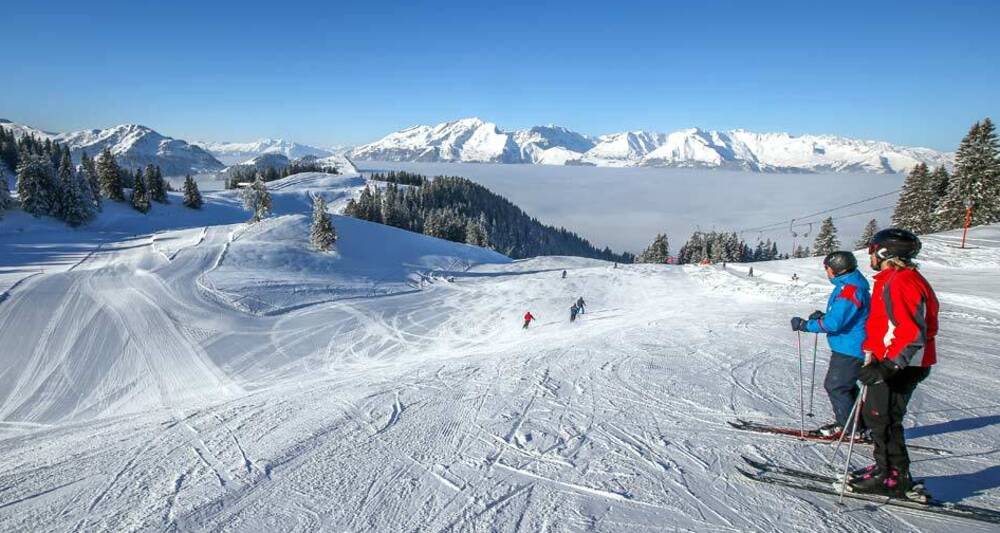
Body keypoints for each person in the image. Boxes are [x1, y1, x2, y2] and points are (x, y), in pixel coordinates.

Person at [847, 229, 938, 497]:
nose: (870, 255)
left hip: (900, 364)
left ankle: (893, 476)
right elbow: (884, 324)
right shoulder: (893, 279)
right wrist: (874, 352)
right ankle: (885, 467)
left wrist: (887, 365)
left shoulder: (901, 281)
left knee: (882, 418)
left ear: (886, 252)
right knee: (878, 416)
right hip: (893, 360)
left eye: (873, 250)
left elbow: (911, 333)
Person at [790, 251, 870, 437]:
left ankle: (851, 429)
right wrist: (824, 316)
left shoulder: (850, 290)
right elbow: (841, 317)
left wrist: (805, 325)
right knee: (846, 386)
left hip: (849, 348)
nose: (826, 272)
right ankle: (857, 423)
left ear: (836, 269)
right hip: (849, 345)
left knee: (836, 386)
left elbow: (833, 324)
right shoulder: (849, 286)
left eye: (827, 268)